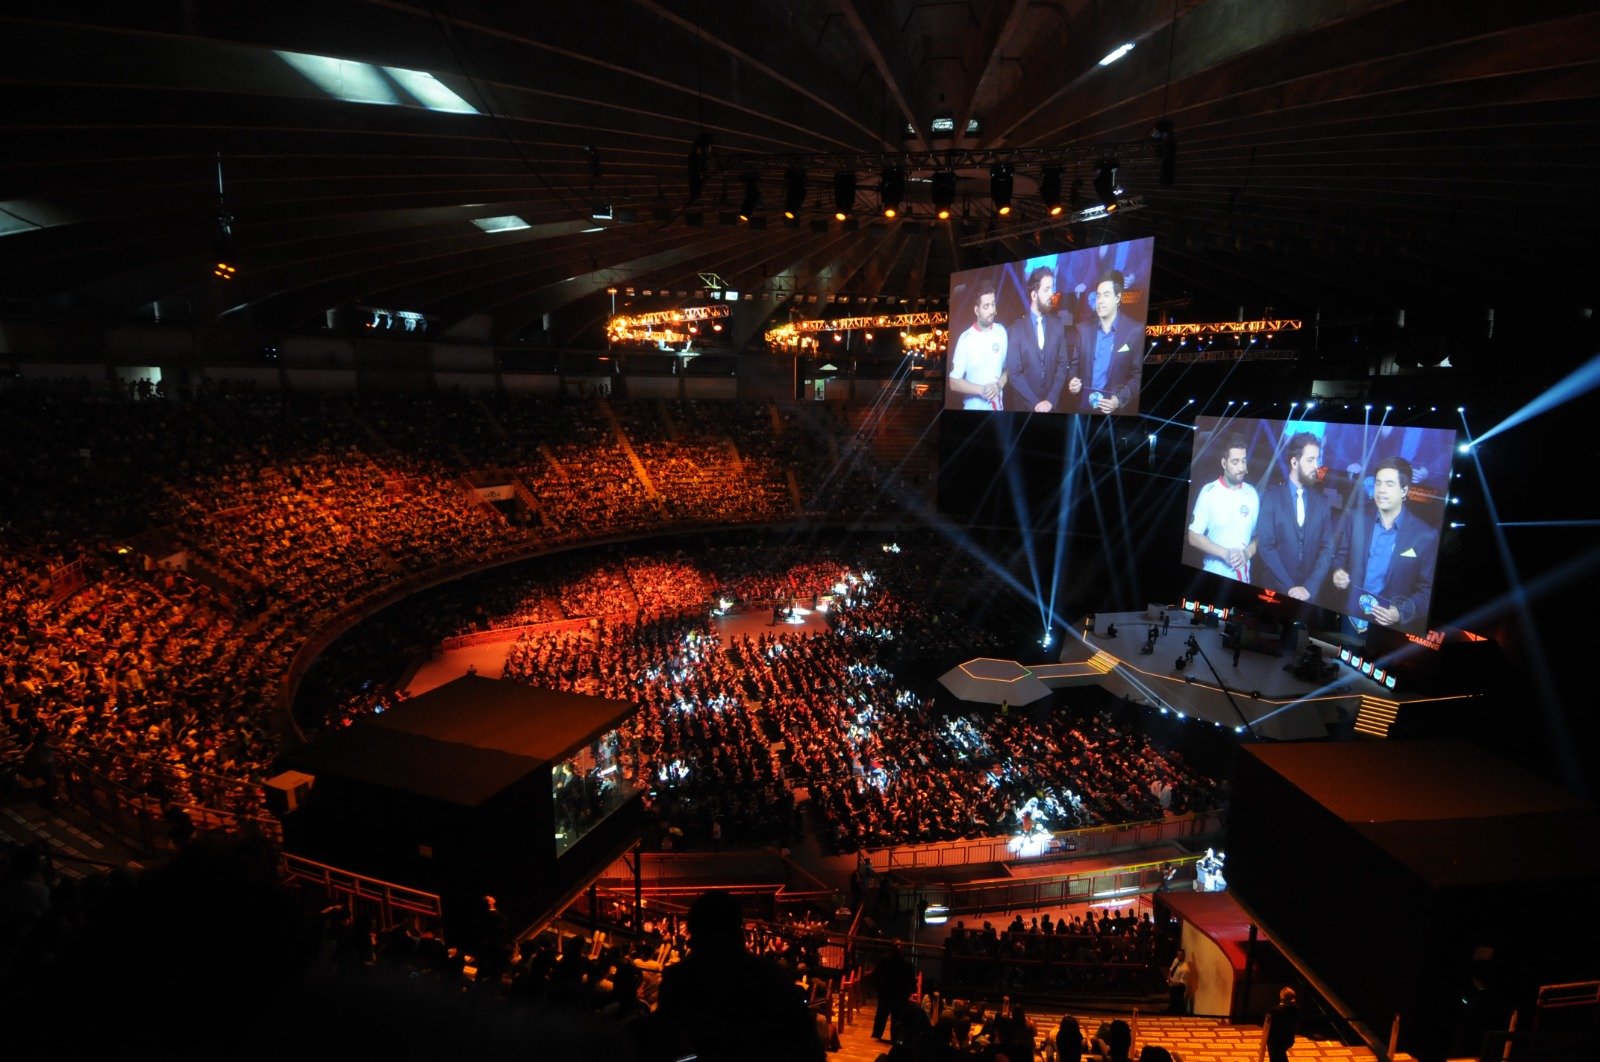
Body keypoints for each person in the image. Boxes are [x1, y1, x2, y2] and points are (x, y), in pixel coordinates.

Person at [648, 890, 824, 1062]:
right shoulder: (770, 975)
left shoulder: (680, 979)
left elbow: (663, 1044)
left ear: (695, 934)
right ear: (738, 931)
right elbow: (809, 1047)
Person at [1327, 456, 1437, 634]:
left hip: (1389, 628)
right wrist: (1338, 572)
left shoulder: (1425, 535)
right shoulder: (1356, 518)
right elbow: (1340, 558)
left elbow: (1426, 592)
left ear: (1404, 491)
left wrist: (1399, 612)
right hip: (1349, 614)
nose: (1381, 490)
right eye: (1378, 483)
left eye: (1389, 484)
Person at [1257, 431, 1336, 601]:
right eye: (1310, 460)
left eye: (1318, 459)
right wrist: (1291, 588)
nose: (1317, 465)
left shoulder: (1322, 502)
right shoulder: (1271, 497)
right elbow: (1265, 547)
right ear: (1294, 462)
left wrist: (1309, 588)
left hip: (1309, 596)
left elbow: (1328, 548)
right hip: (1274, 592)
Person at [1068, 269, 1142, 413]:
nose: (1100, 301)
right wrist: (1072, 380)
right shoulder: (1083, 329)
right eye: (1098, 295)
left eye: (1106, 295)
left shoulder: (1134, 330)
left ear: (1117, 298)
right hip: (1085, 410)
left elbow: (1137, 376)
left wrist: (1118, 400)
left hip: (1116, 414)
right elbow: (1073, 367)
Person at [1187, 434, 1259, 581]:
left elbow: (1258, 537)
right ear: (1224, 463)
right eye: (1235, 462)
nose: (1241, 467)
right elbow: (1193, 536)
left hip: (1244, 580)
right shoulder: (1209, 492)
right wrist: (1225, 553)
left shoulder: (1252, 493)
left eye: (1244, 461)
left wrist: (1247, 553)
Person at [1005, 266, 1073, 412]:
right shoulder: (1016, 329)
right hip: (1024, 410)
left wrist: (1050, 401)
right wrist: (1036, 404)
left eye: (1052, 288)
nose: (1052, 293)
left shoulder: (1058, 325)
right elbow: (1014, 374)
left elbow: (1062, 366)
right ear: (1034, 295)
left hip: (1053, 408)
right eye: (1046, 289)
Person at [948, 281, 1009, 410]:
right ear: (977, 310)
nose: (992, 310)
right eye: (986, 306)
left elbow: (1007, 368)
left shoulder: (1002, 331)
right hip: (974, 413)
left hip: (999, 413)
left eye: (993, 304)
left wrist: (999, 385)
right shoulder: (966, 339)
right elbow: (953, 382)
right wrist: (981, 390)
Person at [871, 942, 919, 1042]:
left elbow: (876, 974)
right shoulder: (907, 963)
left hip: (886, 991)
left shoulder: (884, 959)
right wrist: (912, 990)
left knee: (881, 1014)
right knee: (897, 1017)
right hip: (900, 994)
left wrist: (879, 985)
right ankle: (895, 1038)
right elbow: (911, 979)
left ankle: (877, 1034)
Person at [1265, 986, 1300, 1062]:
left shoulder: (1274, 1011)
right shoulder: (1295, 1010)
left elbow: (1267, 1025)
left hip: (1274, 1040)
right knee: (1281, 1055)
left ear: (1281, 997)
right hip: (1288, 1039)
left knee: (1275, 1057)